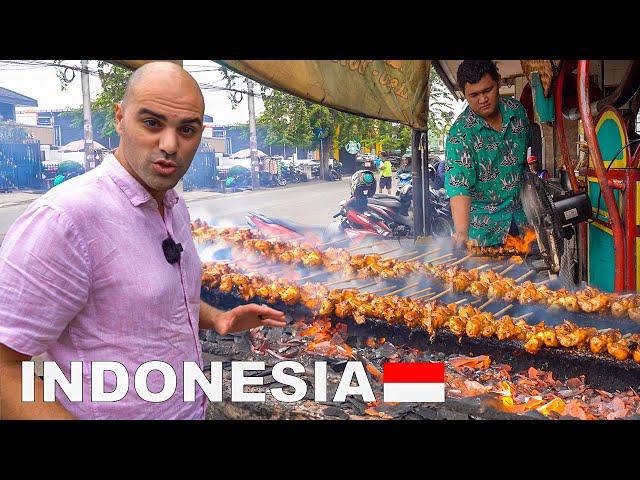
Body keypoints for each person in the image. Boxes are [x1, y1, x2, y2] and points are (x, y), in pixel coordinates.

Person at [0, 62, 285, 420]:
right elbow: (5, 367)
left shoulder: (171, 205)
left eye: (187, 129)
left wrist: (217, 319)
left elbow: (145, 302)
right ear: (120, 118)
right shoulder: (64, 219)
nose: (170, 144)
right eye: (152, 123)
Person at [445, 60, 531, 249]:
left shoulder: (517, 111)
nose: (482, 99)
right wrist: (461, 232)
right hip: (484, 237)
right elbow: (460, 186)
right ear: (464, 95)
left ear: (498, 82)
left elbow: (528, 154)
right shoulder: (460, 134)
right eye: (474, 95)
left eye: (487, 90)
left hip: (524, 222)